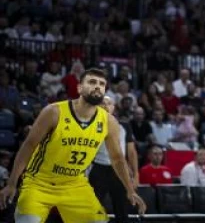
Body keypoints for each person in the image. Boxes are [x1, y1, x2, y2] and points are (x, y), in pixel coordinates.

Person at [0, 68, 146, 221]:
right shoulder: (54, 112)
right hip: (39, 182)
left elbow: (117, 158)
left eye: (102, 84)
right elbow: (28, 146)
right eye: (92, 82)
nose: (97, 86)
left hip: (75, 184)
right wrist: (11, 183)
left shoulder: (109, 122)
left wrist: (130, 190)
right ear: (79, 88)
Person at [89, 96, 140, 223]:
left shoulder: (125, 125)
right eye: (102, 103)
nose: (106, 106)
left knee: (122, 210)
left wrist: (136, 174)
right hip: (98, 168)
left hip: (119, 171)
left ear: (113, 107)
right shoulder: (89, 124)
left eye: (109, 103)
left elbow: (131, 152)